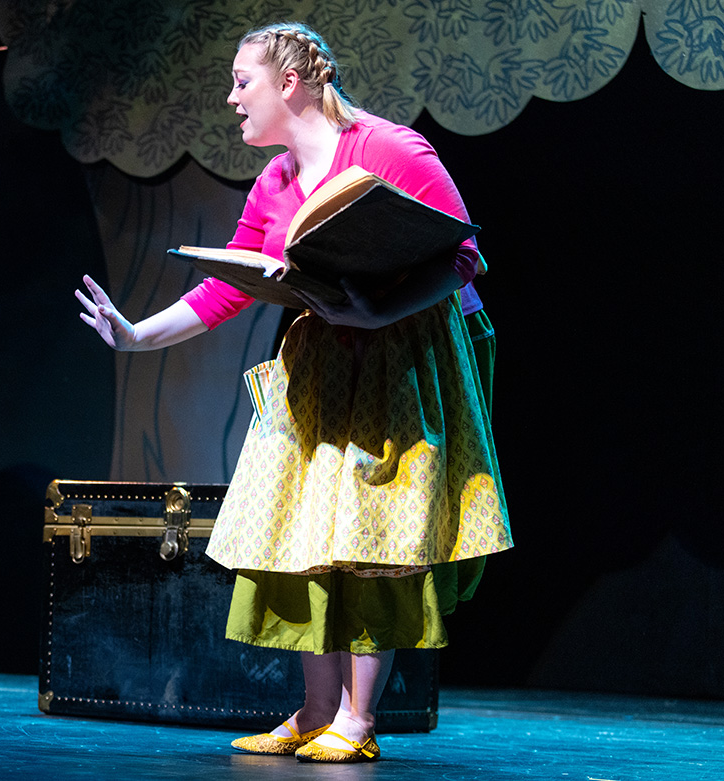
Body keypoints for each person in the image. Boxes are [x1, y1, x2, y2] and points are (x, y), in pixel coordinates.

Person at [76, 22, 511, 764]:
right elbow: (229, 283)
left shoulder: (389, 150)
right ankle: (315, 708)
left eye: (243, 81)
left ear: (291, 83)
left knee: (374, 525)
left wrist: (376, 309)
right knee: (305, 525)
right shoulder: (276, 181)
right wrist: (135, 334)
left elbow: (463, 255)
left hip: (405, 356)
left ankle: (359, 716)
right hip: (324, 360)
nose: (230, 97)